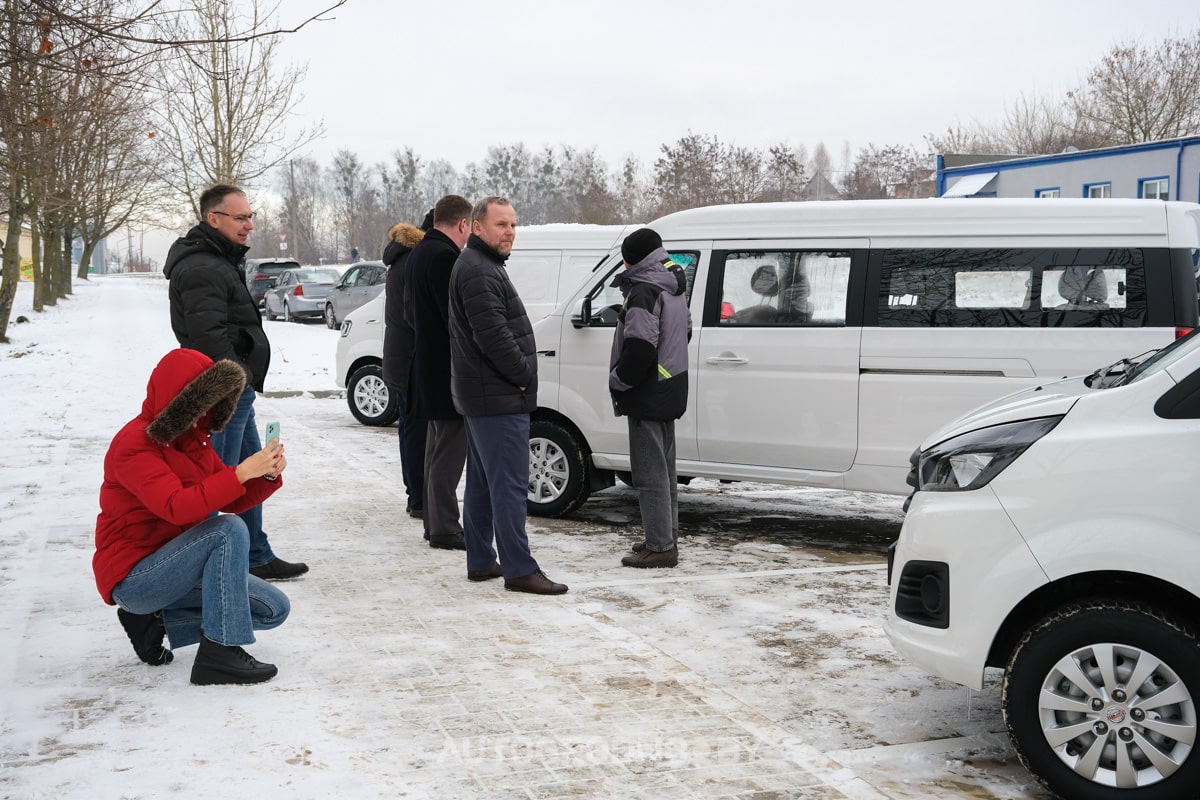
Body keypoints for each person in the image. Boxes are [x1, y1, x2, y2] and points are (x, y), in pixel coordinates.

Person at [93, 348, 290, 685]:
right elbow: (177, 505)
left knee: (273, 609)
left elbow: (234, 498)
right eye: (204, 401)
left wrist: (265, 474)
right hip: (134, 576)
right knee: (226, 530)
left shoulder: (193, 442)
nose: (210, 410)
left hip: (175, 566)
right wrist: (240, 472)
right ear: (181, 401)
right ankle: (220, 651)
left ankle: (156, 622)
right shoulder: (134, 444)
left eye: (216, 401)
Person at [163, 184, 308, 581]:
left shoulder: (217, 260)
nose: (250, 225)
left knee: (256, 471)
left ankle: (255, 554)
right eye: (241, 217)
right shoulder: (202, 267)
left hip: (236, 390)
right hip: (222, 393)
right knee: (218, 480)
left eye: (250, 216)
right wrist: (236, 378)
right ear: (214, 219)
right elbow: (208, 338)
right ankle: (204, 567)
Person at [448, 196, 567, 595]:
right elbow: (493, 336)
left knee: (484, 483)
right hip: (496, 395)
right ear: (476, 227)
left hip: (484, 395)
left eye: (513, 225)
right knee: (511, 486)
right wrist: (522, 374)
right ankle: (519, 568)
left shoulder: (480, 265)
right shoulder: (479, 270)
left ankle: (481, 559)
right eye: (501, 225)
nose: (510, 232)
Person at [608, 227, 691, 568]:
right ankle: (664, 536)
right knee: (664, 468)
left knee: (649, 472)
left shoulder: (644, 291)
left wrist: (619, 381)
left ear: (632, 260)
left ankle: (660, 547)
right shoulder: (672, 285)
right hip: (671, 385)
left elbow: (640, 349)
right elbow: (685, 330)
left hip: (647, 391)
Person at [407, 195, 473, 550]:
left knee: (436, 451)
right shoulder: (444, 257)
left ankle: (436, 523)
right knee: (448, 452)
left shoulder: (419, 253)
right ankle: (445, 526)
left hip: (427, 366)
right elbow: (456, 318)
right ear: (463, 224)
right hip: (446, 368)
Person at [382, 217, 428, 518]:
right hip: (411, 359)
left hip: (399, 358)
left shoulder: (400, 259)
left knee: (410, 431)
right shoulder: (414, 262)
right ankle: (418, 499)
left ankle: (415, 494)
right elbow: (416, 316)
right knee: (416, 432)